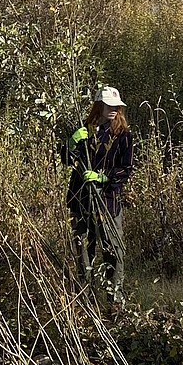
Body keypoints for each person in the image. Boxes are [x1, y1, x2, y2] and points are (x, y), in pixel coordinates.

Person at [62, 85, 134, 302]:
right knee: (84, 250)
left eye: (116, 106)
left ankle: (115, 300)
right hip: (81, 200)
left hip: (107, 202)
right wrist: (71, 142)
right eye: (109, 105)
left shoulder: (123, 135)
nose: (114, 109)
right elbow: (67, 159)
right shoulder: (84, 130)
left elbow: (127, 168)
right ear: (99, 105)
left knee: (113, 251)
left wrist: (104, 177)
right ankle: (85, 299)